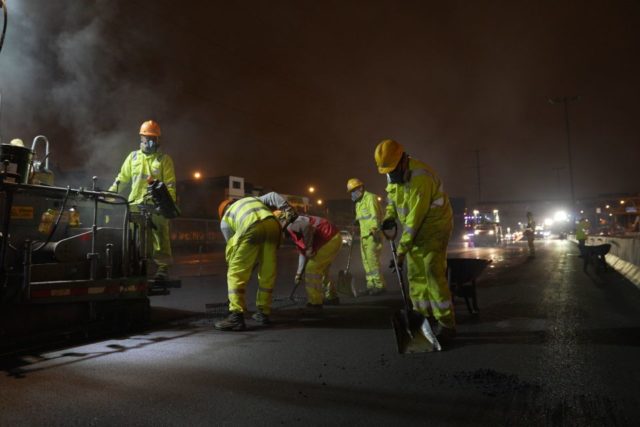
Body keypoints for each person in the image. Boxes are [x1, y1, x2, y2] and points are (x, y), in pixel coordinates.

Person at [374, 139, 455, 340]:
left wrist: (401, 252)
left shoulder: (421, 177)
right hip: (416, 231)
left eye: (392, 170)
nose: (390, 175)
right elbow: (392, 200)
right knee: (415, 275)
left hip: (435, 228)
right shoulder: (392, 175)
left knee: (431, 272)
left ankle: (446, 323)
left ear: (403, 160)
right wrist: (389, 217)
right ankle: (423, 317)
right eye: (387, 172)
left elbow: (413, 221)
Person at [215, 192, 294, 331]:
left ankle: (236, 316)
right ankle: (263, 313)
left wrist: (239, 266)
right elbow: (273, 195)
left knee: (235, 273)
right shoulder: (251, 199)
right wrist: (287, 209)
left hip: (251, 228)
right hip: (273, 226)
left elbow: (233, 250)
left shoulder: (225, 220)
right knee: (267, 273)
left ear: (223, 212)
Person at [109, 120, 176, 281]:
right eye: (148, 137)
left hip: (156, 206)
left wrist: (169, 204)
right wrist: (109, 194)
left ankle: (162, 268)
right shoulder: (133, 158)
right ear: (142, 138)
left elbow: (170, 185)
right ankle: (136, 265)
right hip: (135, 205)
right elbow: (121, 179)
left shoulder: (164, 160)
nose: (152, 141)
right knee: (134, 237)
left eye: (155, 138)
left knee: (161, 237)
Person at [281, 213, 342, 308]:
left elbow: (307, 227)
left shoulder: (291, 225)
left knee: (311, 269)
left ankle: (315, 302)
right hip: (334, 237)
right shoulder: (295, 227)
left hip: (328, 238)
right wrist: (298, 274)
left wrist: (309, 248)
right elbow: (302, 253)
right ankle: (332, 297)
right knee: (322, 269)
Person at [346, 178, 386, 295]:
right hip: (364, 235)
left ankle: (379, 285)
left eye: (354, 190)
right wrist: (355, 223)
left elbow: (376, 216)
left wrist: (375, 230)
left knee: (372, 260)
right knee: (366, 261)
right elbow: (361, 218)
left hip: (373, 234)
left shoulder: (370, 198)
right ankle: (371, 285)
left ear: (361, 188)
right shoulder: (358, 202)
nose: (352, 193)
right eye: (351, 192)